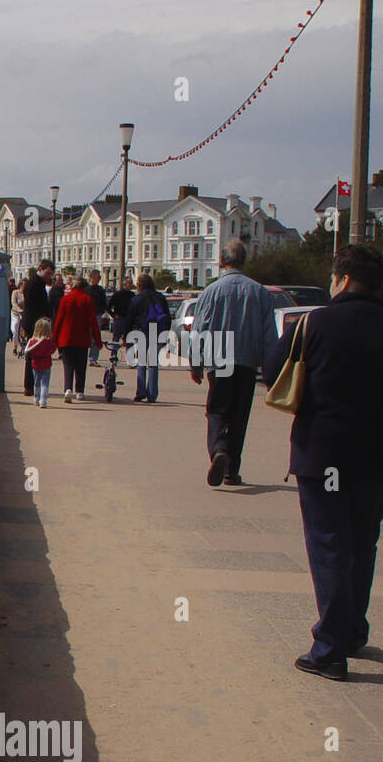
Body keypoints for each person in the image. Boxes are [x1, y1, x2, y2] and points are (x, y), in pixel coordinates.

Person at [263, 244, 383, 680]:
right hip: (375, 458)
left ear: (343, 280)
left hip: (324, 454)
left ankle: (329, 649)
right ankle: (352, 630)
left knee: (330, 543)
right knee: (362, 543)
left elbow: (273, 368)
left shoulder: (313, 322)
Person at [191, 239, 277, 485]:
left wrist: (196, 364)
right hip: (247, 363)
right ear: (244, 261)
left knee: (217, 410)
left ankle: (218, 449)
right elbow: (269, 334)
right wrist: (271, 369)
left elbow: (199, 329)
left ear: (222, 261)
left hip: (219, 362)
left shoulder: (212, 291)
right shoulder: (259, 292)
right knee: (239, 416)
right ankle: (231, 470)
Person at [53, 274, 101, 402]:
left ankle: (68, 389)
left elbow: (59, 320)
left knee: (68, 365)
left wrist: (54, 339)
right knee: (81, 365)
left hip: (66, 337)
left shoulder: (65, 299)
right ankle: (80, 391)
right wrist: (98, 340)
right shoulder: (88, 299)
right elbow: (93, 322)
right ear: (84, 286)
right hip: (82, 338)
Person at [126, 274, 172, 404]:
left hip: (142, 330)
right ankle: (152, 394)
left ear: (140, 284)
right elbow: (167, 316)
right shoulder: (160, 297)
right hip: (157, 331)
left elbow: (130, 318)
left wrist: (127, 335)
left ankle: (140, 392)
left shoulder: (137, 298)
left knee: (141, 362)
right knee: (153, 363)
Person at [21, 260, 56, 396]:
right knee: (33, 354)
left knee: (33, 353)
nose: (49, 276)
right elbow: (32, 306)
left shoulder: (36, 282)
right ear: (40, 269)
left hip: (35, 322)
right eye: (47, 273)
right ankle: (30, 385)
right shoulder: (35, 284)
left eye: (50, 274)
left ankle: (31, 385)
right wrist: (43, 320)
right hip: (34, 324)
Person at [25, 318, 57, 408]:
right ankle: (43, 400)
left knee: (36, 382)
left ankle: (36, 398)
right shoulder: (49, 341)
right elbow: (53, 350)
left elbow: (29, 351)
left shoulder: (32, 341)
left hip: (35, 363)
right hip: (46, 362)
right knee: (45, 383)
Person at [108, 276, 135, 363]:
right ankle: (113, 355)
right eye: (129, 283)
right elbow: (108, 307)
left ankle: (130, 358)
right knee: (116, 338)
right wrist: (113, 315)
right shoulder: (117, 294)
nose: (131, 285)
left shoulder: (132, 295)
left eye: (131, 283)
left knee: (129, 339)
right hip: (119, 319)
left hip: (129, 320)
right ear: (124, 284)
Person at [86, 270, 108, 365]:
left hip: (97, 315)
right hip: (86, 316)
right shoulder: (86, 289)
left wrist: (103, 311)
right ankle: (83, 357)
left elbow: (104, 303)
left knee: (95, 337)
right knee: (86, 336)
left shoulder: (100, 290)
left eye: (99, 277)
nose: (99, 279)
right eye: (97, 277)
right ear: (92, 277)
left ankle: (93, 358)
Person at [10, 280, 26, 353]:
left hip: (25, 314)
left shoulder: (27, 293)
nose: (25, 287)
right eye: (24, 285)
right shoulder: (15, 292)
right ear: (20, 285)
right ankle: (14, 347)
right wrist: (20, 310)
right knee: (15, 330)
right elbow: (14, 303)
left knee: (22, 331)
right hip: (15, 313)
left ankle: (23, 346)